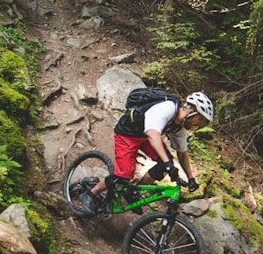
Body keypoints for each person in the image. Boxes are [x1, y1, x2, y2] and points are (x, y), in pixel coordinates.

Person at [80, 90, 214, 215]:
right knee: (124, 175)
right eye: (200, 119)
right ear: (192, 111)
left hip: (145, 137)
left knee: (164, 164)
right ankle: (91, 194)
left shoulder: (179, 128)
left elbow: (182, 153)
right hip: (128, 134)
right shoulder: (168, 107)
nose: (199, 124)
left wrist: (191, 178)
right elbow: (152, 133)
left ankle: (133, 191)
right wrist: (168, 164)